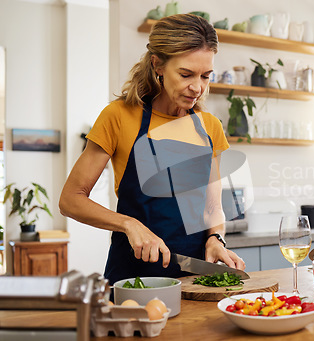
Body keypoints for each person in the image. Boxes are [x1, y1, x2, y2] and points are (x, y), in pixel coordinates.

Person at [59, 14, 245, 286]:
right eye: (185, 74)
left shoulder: (209, 127)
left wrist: (216, 238)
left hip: (195, 278)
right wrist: (129, 224)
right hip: (133, 279)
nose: (197, 87)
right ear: (157, 64)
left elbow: (212, 205)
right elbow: (70, 199)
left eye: (206, 76)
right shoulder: (119, 116)